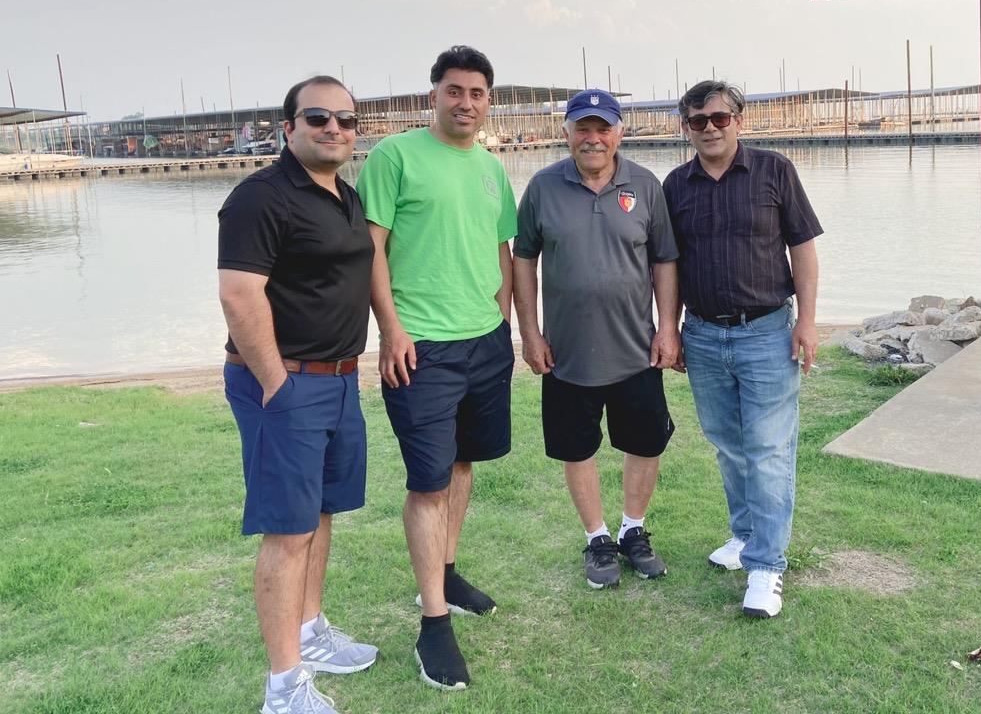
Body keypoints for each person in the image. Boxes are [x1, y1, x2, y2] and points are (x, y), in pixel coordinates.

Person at [355, 45, 516, 691]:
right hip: (420, 347)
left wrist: (502, 317)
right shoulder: (394, 157)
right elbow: (371, 249)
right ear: (434, 95)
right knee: (427, 484)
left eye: (477, 93)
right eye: (455, 90)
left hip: (484, 342)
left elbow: (500, 248)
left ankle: (447, 571)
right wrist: (389, 329)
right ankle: (432, 623)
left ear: (487, 102)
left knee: (462, 464)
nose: (466, 103)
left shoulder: (490, 168)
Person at [218, 76, 377, 714]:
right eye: (318, 118)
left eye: (345, 119)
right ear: (289, 126)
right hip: (283, 383)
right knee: (287, 529)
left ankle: (309, 631)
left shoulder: (343, 194)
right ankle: (283, 687)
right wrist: (277, 388)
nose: (334, 128)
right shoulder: (260, 198)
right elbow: (238, 295)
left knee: (319, 514)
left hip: (338, 380)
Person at [662, 80, 822, 619]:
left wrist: (809, 321)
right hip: (703, 335)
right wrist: (671, 329)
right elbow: (669, 265)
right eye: (697, 121)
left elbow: (802, 248)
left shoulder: (775, 171)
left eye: (718, 118)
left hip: (768, 331)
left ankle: (766, 567)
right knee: (728, 445)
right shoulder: (675, 185)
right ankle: (747, 535)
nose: (709, 128)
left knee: (770, 449)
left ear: (738, 119)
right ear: (685, 127)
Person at [513, 89, 680, 589]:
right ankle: (597, 538)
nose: (592, 138)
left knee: (645, 442)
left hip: (636, 349)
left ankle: (633, 530)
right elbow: (524, 259)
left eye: (602, 128)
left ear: (619, 132)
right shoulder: (542, 187)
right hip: (566, 354)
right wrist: (530, 332)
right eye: (582, 128)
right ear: (565, 133)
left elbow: (664, 259)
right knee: (576, 447)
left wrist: (668, 326)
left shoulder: (645, 185)